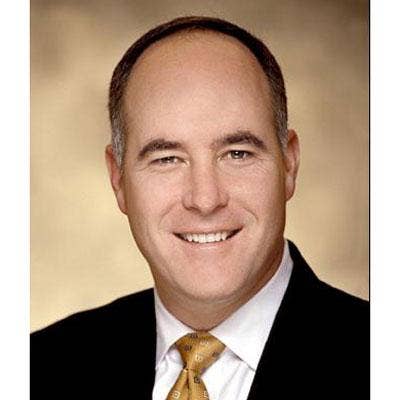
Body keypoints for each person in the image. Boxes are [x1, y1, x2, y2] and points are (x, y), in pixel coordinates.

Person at [31, 16, 369, 400]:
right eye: (167, 159)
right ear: (118, 179)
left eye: (237, 153)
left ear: (289, 164)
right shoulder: (37, 369)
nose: (205, 200)